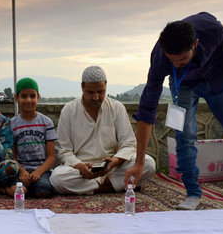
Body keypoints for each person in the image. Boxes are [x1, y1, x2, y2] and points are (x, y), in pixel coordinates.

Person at [129, 12, 223, 210]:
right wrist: (139, 162)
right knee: (184, 135)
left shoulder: (212, 29)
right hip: (184, 84)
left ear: (194, 44)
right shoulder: (160, 54)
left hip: (218, 76)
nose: (176, 64)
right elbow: (147, 107)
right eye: (173, 61)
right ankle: (192, 192)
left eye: (182, 60)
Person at [50, 66, 156, 195]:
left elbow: (128, 143)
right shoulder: (69, 110)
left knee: (148, 163)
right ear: (82, 87)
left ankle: (96, 187)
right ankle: (113, 186)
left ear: (106, 85)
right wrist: (80, 166)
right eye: (90, 92)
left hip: (112, 167)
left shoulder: (117, 108)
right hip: (82, 170)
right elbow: (63, 150)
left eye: (100, 92)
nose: (96, 97)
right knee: (57, 178)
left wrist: (114, 162)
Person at [10, 77, 56, 198]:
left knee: (43, 191)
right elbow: (12, 156)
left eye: (32, 96)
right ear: (16, 98)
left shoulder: (47, 123)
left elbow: (51, 157)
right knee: (18, 192)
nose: (28, 100)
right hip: (21, 171)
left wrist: (38, 172)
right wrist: (21, 171)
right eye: (24, 96)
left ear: (38, 97)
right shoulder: (12, 124)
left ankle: (33, 187)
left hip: (42, 171)